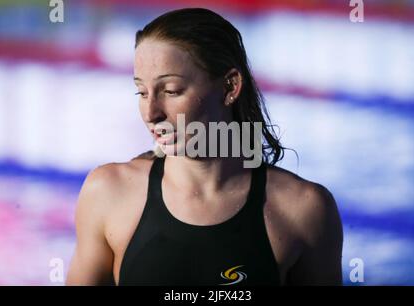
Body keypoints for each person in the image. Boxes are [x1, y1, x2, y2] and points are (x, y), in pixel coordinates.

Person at [66, 7, 343, 286]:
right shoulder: (108, 193)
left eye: (171, 90)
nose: (151, 113)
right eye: (142, 92)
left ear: (229, 87)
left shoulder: (304, 210)